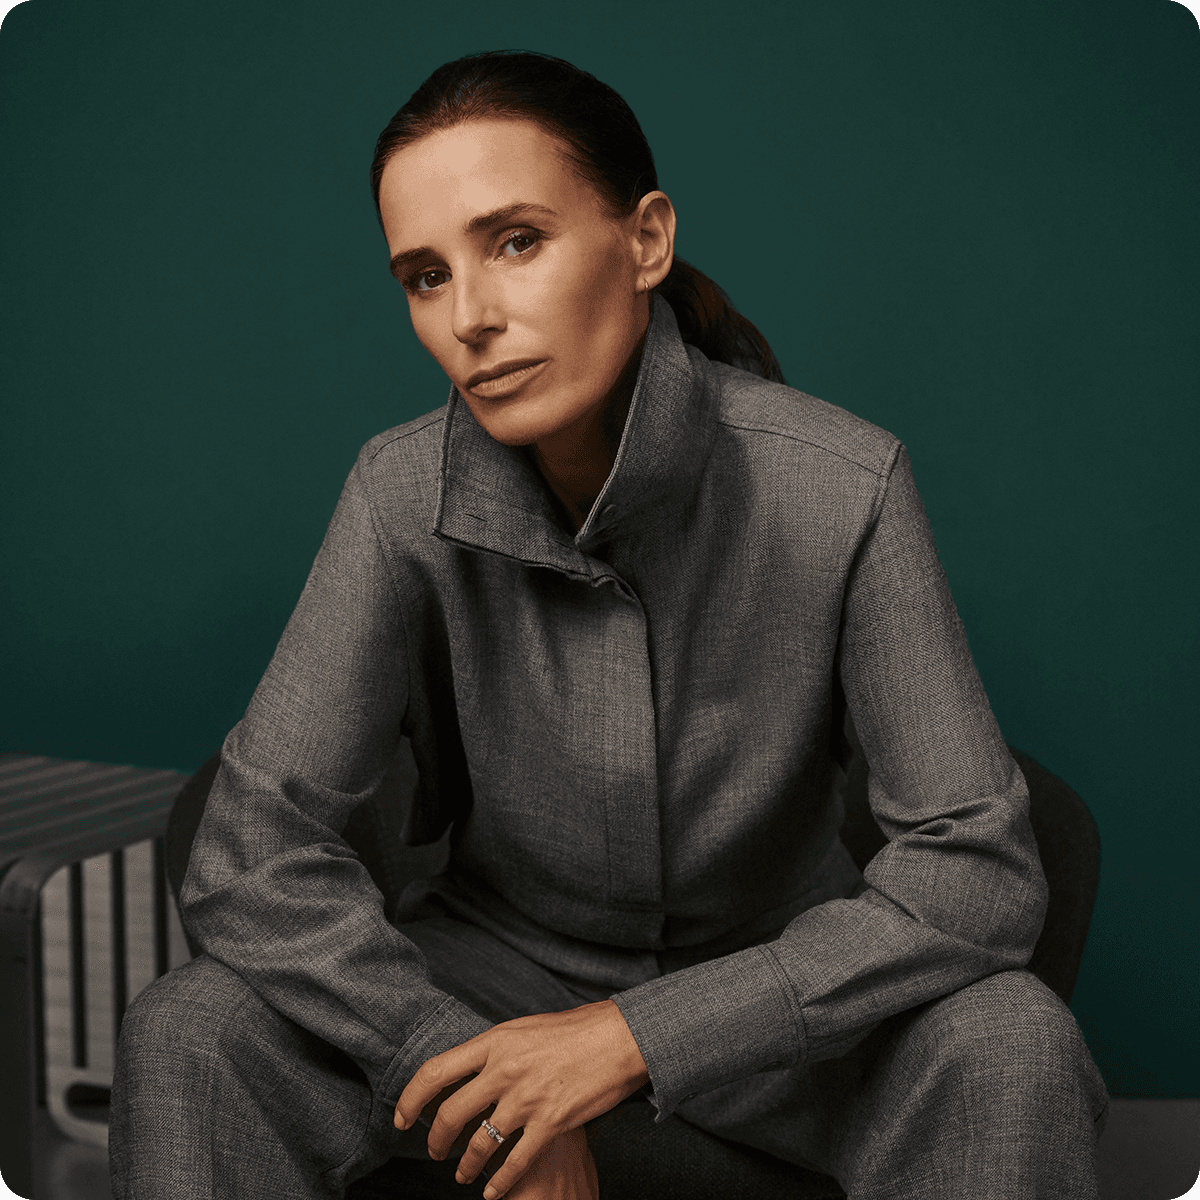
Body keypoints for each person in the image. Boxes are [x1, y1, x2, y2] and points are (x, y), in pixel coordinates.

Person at [110, 49, 1109, 1200]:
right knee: (196, 1027)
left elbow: (980, 872)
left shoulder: (845, 482)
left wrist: (632, 1038)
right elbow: (249, 855)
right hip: (484, 987)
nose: (472, 318)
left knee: (1012, 1042)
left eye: (516, 241)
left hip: (779, 1006)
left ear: (645, 240)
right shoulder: (398, 494)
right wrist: (464, 1067)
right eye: (425, 276)